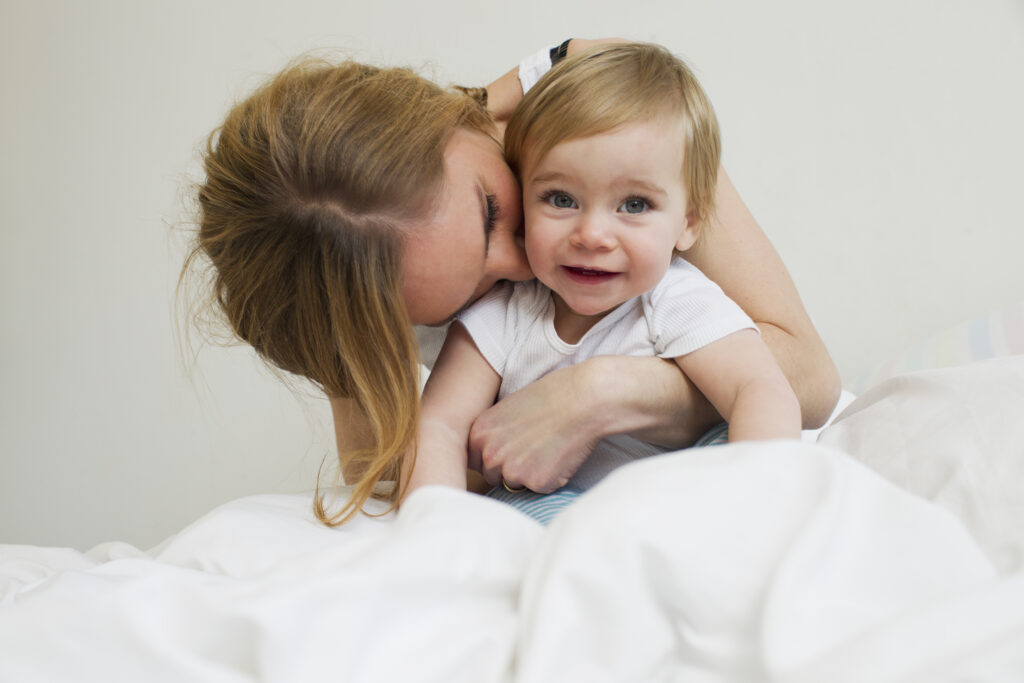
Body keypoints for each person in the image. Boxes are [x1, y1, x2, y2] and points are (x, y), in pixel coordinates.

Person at [186, 38, 840, 527]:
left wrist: (597, 390)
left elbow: (808, 379)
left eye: (495, 214)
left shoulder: (602, 110)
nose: (525, 267)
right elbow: (385, 461)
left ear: (454, 118)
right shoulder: (352, 296)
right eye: (468, 295)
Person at [401, 43, 801, 516]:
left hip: (673, 495)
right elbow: (440, 427)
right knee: (513, 509)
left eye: (634, 205)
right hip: (556, 503)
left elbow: (757, 388)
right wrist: (433, 534)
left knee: (726, 446)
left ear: (689, 223)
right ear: (522, 192)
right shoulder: (503, 313)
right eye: (560, 198)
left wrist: (757, 500)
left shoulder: (676, 298)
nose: (591, 235)